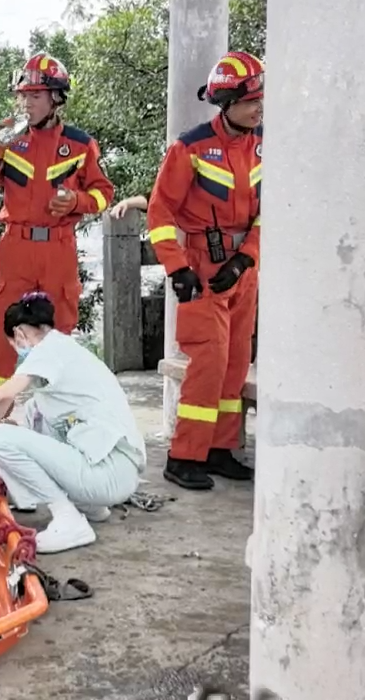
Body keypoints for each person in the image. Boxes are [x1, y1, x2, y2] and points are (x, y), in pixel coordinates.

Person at [0, 52, 116, 404]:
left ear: (56, 98)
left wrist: (76, 202)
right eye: (23, 95)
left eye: (35, 96)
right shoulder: (8, 140)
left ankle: (55, 429)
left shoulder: (80, 144)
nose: (26, 103)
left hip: (58, 250)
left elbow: (103, 194)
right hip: (15, 249)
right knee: (4, 344)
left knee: (57, 339)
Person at [145, 50, 264, 491]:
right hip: (201, 267)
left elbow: (269, 212)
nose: (258, 105)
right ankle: (184, 456)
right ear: (226, 101)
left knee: (235, 362)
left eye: (260, 97)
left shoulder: (265, 145)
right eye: (250, 99)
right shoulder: (190, 147)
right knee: (209, 361)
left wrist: (246, 257)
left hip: (243, 269)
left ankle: (220, 449)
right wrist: (177, 268)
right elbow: (159, 213)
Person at [0, 292, 147, 554]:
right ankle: (88, 506)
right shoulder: (67, 350)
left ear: (19, 334)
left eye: (13, 344)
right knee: (34, 411)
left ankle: (68, 518)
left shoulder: (47, 350)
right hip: (119, 471)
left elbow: (3, 396)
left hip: (108, 473)